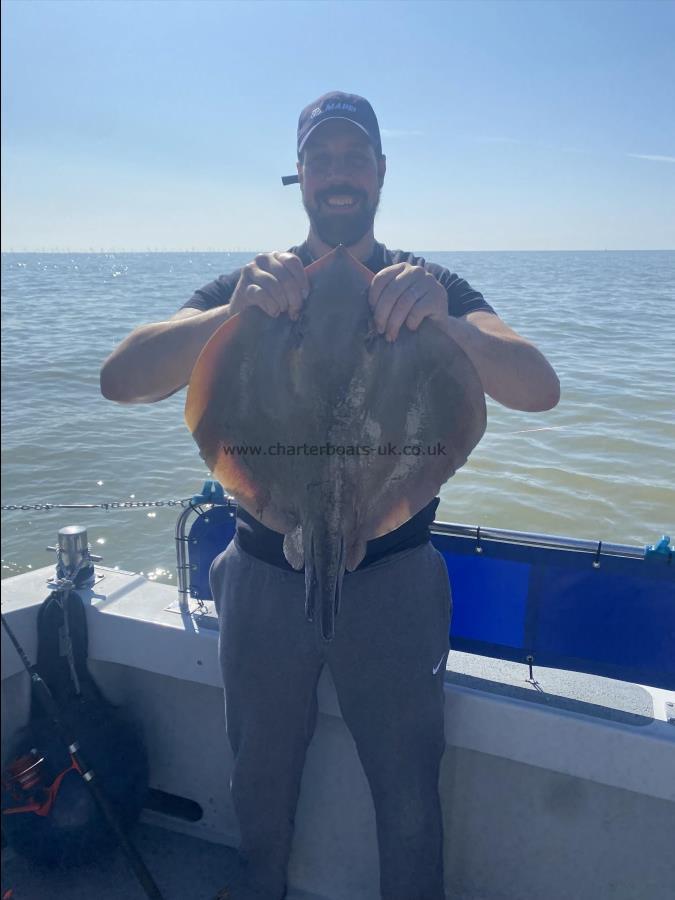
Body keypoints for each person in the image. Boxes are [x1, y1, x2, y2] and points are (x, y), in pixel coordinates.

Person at [101, 91, 560, 900]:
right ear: (300, 175)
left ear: (380, 173)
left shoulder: (429, 287)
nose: (338, 174)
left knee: (407, 787)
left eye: (355, 158)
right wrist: (231, 313)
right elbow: (123, 377)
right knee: (261, 779)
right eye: (322, 158)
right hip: (262, 573)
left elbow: (537, 388)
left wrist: (447, 323)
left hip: (393, 577)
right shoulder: (254, 284)